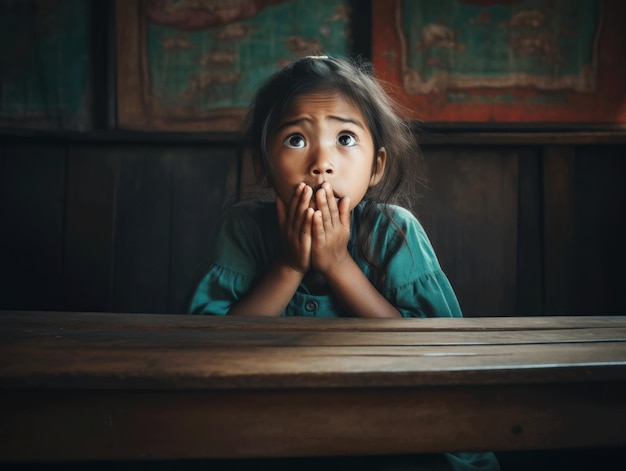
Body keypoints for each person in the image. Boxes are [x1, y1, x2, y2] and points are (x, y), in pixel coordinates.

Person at [188, 55, 500, 470]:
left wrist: (337, 264)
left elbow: (434, 350)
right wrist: (289, 266)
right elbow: (208, 349)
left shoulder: (394, 231)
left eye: (346, 139)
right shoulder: (242, 229)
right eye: (296, 139)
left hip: (387, 423)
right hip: (267, 422)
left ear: (377, 166)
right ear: (263, 166)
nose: (322, 163)